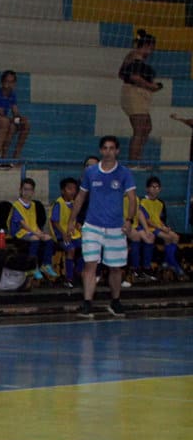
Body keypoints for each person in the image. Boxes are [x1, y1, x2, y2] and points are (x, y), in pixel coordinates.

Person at [73, 135, 136, 317]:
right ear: (101, 150)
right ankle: (87, 303)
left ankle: (115, 301)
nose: (108, 152)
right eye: (105, 148)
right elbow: (80, 197)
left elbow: (132, 198)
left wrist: (129, 219)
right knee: (90, 265)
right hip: (92, 225)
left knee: (116, 267)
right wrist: (71, 221)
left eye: (112, 148)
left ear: (117, 151)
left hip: (116, 227)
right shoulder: (91, 172)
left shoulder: (124, 173)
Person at [119, 29, 162, 163]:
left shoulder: (131, 56)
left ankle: (137, 158)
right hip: (134, 94)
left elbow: (122, 74)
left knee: (147, 127)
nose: (151, 52)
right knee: (139, 130)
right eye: (151, 48)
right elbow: (134, 77)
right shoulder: (136, 57)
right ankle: (133, 162)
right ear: (147, 46)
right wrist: (150, 86)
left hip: (137, 94)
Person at [132, 175, 181, 279]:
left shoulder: (160, 203)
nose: (155, 189)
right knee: (167, 237)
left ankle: (167, 262)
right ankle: (173, 264)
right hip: (147, 227)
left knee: (175, 237)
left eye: (157, 187)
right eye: (152, 187)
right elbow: (147, 220)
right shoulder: (143, 201)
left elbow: (159, 219)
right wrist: (162, 228)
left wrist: (165, 227)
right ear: (147, 189)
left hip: (158, 226)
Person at [7, 177, 55, 283]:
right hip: (19, 232)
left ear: (33, 192)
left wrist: (40, 232)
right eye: (25, 189)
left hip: (31, 231)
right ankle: (32, 267)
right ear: (20, 190)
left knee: (48, 238)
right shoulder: (17, 205)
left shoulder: (33, 205)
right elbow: (23, 224)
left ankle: (46, 264)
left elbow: (33, 222)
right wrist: (36, 234)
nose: (27, 192)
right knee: (35, 238)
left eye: (30, 189)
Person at [51, 175, 84, 286]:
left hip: (74, 234)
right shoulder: (59, 203)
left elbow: (76, 220)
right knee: (71, 249)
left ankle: (77, 271)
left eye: (74, 189)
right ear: (63, 190)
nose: (72, 191)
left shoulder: (75, 204)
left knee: (87, 248)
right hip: (61, 236)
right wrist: (63, 234)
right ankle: (69, 278)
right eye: (69, 188)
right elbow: (55, 222)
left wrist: (78, 225)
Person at [0, 69, 28, 159]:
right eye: (7, 81)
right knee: (11, 126)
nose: (9, 84)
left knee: (26, 123)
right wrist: (13, 119)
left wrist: (20, 118)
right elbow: (0, 113)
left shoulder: (12, 95)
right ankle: (3, 155)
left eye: (11, 82)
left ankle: (17, 154)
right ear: (2, 82)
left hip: (6, 119)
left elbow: (15, 112)